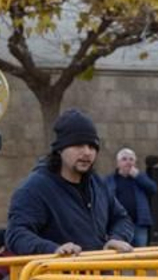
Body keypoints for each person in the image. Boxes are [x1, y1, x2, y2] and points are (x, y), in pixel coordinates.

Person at [7, 110, 135, 257]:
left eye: (92, 146)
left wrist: (116, 239)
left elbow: (122, 218)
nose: (87, 152)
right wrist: (54, 250)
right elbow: (16, 234)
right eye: (78, 145)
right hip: (56, 277)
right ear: (60, 149)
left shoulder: (97, 184)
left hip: (99, 277)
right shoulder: (35, 188)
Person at [105, 148, 158, 248]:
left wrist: (138, 176)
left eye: (131, 159)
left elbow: (153, 188)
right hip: (118, 225)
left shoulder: (140, 178)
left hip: (139, 224)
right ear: (118, 163)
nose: (128, 162)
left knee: (141, 254)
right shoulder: (110, 180)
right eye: (124, 159)